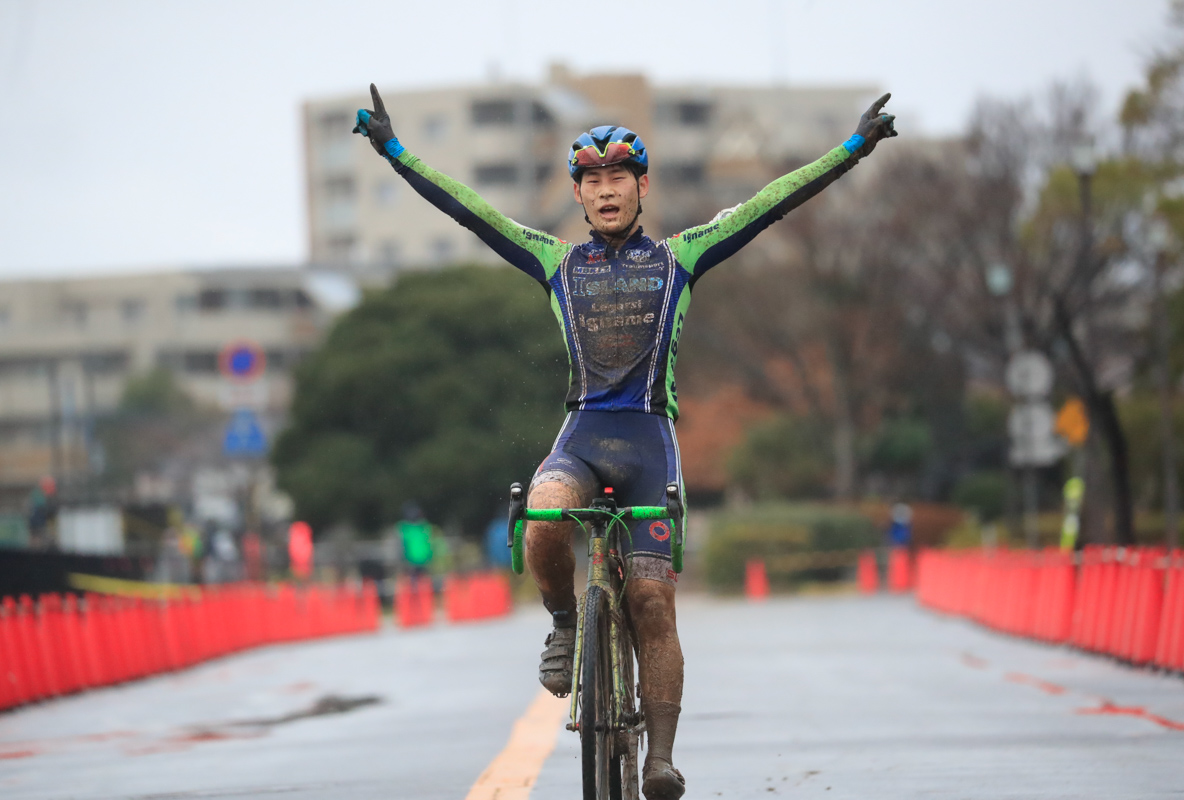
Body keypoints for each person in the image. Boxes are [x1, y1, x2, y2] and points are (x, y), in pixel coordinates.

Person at [354, 84, 897, 799]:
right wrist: (395, 152)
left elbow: (772, 203)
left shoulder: (681, 258)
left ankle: (660, 759)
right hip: (580, 439)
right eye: (592, 182)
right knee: (544, 520)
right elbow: (471, 210)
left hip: (649, 448)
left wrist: (853, 147)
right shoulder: (554, 262)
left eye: (618, 179)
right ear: (578, 195)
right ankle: (564, 627)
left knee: (651, 602)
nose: (606, 193)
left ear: (642, 186)